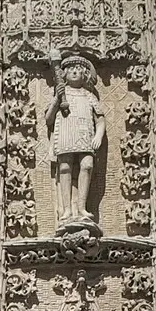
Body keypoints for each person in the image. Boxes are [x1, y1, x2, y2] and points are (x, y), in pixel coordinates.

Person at [46, 52, 106, 227]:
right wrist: (57, 99)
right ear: (64, 74)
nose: (74, 72)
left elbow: (100, 119)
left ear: (84, 75)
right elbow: (48, 119)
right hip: (65, 134)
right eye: (70, 69)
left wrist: (99, 135)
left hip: (85, 135)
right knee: (64, 168)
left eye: (78, 70)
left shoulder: (89, 96)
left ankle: (81, 208)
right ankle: (66, 210)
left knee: (87, 165)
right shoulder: (61, 94)